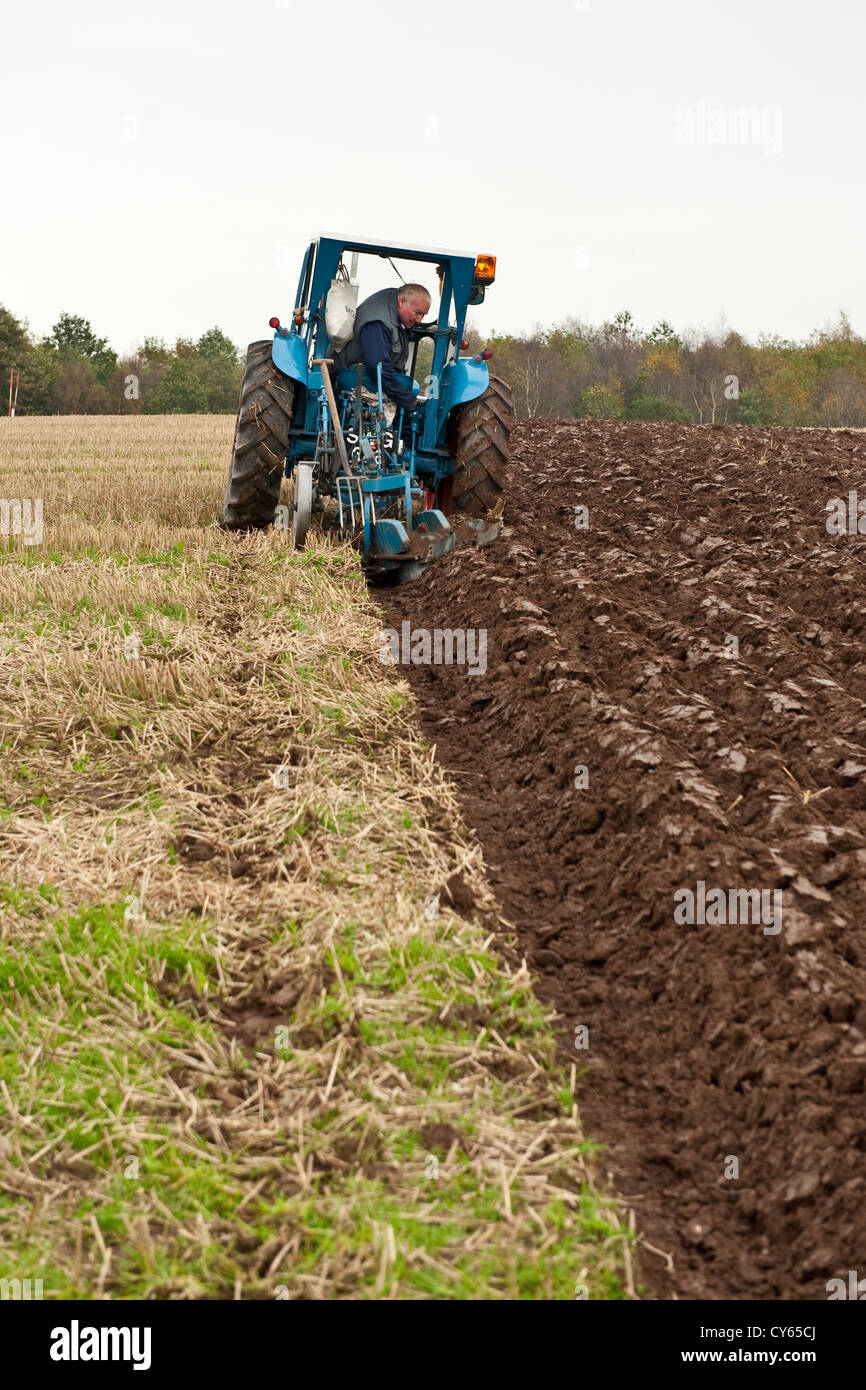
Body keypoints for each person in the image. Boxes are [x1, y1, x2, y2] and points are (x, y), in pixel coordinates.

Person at [331, 283, 433, 411]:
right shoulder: (378, 323)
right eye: (418, 313)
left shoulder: (391, 306)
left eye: (423, 315)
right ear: (402, 302)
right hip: (349, 379)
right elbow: (377, 366)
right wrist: (405, 398)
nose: (419, 320)